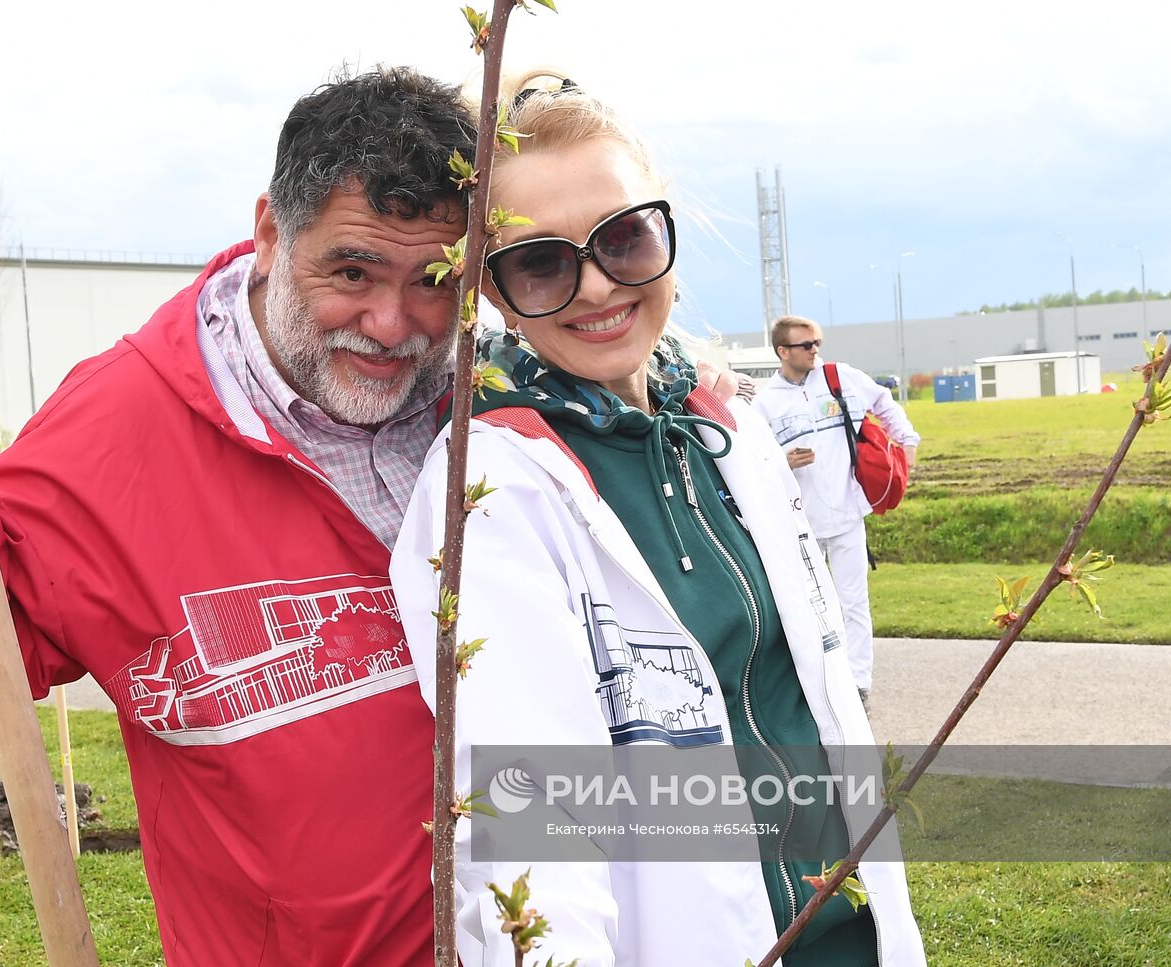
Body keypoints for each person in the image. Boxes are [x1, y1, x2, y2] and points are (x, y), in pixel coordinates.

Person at [0, 67, 475, 966]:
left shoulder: (503, 409)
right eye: (352, 269)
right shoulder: (109, 436)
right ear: (268, 235)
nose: (392, 321)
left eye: (433, 279)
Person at [390, 75, 926, 966]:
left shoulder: (732, 429)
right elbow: (538, 841)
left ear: (666, 230)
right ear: (491, 289)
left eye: (625, 238)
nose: (596, 284)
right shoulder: (489, 493)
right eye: (541, 262)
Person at [751, 316, 920, 707]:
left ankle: (858, 684)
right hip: (799, 523)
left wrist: (907, 442)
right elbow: (755, 460)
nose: (814, 350)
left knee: (853, 601)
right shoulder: (764, 402)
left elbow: (883, 402)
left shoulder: (840, 378)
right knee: (807, 605)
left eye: (817, 343)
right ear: (782, 351)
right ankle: (817, 681)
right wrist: (784, 461)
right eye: (805, 345)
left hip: (847, 516)